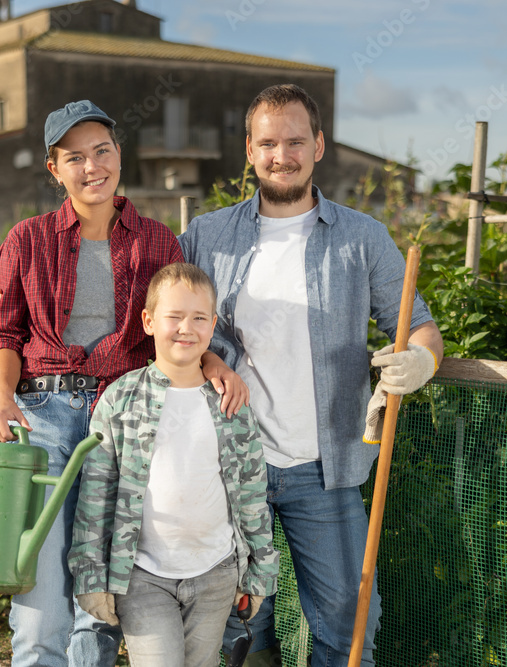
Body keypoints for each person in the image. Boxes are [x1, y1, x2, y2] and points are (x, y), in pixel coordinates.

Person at [179, 84, 444, 667]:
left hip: (327, 469)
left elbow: (421, 326)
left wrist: (420, 362)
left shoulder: (362, 237)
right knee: (240, 626)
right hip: (231, 463)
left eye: (296, 141)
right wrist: (211, 358)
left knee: (348, 630)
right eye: (269, 143)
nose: (282, 155)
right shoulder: (207, 235)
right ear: (249, 149)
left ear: (318, 145)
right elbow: (165, 321)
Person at [0, 100, 246, 666]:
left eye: (101, 150)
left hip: (125, 422)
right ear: (55, 169)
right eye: (74, 157)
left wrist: (214, 363)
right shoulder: (26, 240)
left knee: (98, 597)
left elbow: (177, 322)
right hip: (46, 415)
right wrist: (1, 398)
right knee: (38, 593)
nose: (92, 166)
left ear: (119, 155)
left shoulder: (156, 241)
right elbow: (4, 333)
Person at [68, 262, 278, 667]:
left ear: (213, 323)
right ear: (148, 321)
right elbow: (95, 493)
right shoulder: (120, 399)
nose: (187, 328)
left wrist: (259, 572)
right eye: (174, 317)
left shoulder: (229, 402)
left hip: (217, 574)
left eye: (199, 318)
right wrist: (91, 576)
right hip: (143, 575)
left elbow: (251, 492)